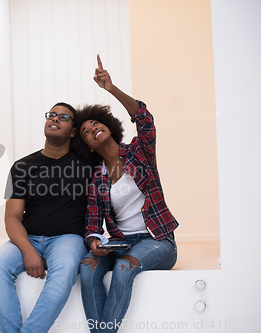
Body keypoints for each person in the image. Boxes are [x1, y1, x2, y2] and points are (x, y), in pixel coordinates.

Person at [72, 54, 178, 333]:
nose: (93, 128)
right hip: (122, 242)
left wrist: (112, 88)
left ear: (108, 125)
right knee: (87, 268)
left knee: (123, 269)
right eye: (85, 131)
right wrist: (95, 243)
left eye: (95, 123)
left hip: (159, 241)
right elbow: (93, 227)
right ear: (88, 147)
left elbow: (145, 119)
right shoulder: (97, 180)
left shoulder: (139, 152)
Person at [0, 102, 95, 333]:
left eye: (63, 117)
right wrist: (27, 250)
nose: (55, 119)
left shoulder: (87, 165)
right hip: (29, 237)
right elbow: (12, 217)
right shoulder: (21, 167)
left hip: (68, 239)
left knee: (65, 270)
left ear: (74, 131)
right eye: (52, 115)